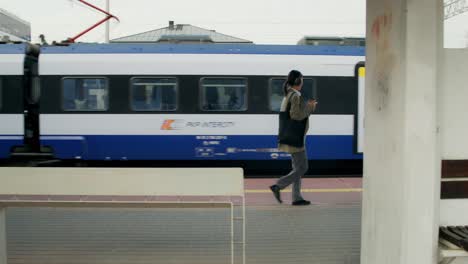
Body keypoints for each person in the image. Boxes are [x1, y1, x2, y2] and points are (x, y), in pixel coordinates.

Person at [270, 70, 317, 206]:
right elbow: (296, 116)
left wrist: (307, 107)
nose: (302, 83)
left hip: (291, 137)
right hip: (296, 139)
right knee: (303, 168)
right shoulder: (295, 96)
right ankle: (278, 185)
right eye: (301, 80)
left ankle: (296, 198)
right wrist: (310, 108)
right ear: (297, 81)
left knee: (297, 168)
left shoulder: (288, 95)